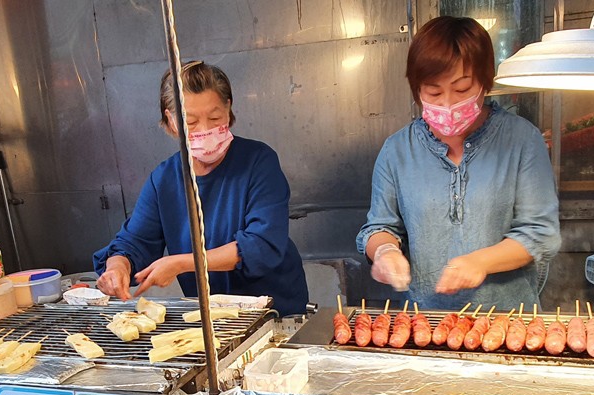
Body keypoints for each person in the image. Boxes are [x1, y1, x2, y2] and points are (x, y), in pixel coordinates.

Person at [357, 16, 560, 311]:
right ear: (417, 91)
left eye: (462, 89)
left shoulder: (521, 140)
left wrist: (481, 262)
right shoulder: (398, 150)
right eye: (434, 92)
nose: (448, 103)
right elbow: (379, 226)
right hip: (424, 321)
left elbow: (540, 232)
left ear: (484, 82)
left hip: (509, 322)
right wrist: (386, 250)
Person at [94, 62, 309, 317]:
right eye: (191, 122)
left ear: (228, 109)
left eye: (215, 118)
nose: (205, 130)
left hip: (275, 312)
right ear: (171, 121)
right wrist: (118, 267)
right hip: (212, 318)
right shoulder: (164, 180)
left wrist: (182, 263)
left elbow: (262, 243)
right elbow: (134, 242)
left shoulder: (258, 162)